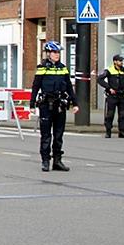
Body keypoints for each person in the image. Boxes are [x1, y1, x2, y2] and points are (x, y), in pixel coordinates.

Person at [30, 41, 78, 172]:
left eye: (58, 53)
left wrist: (75, 103)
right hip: (46, 105)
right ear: (48, 53)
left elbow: (69, 86)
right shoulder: (42, 68)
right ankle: (45, 161)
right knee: (46, 135)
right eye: (54, 52)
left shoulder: (63, 67)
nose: (57, 55)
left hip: (60, 105)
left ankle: (57, 161)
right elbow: (35, 86)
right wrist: (32, 104)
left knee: (58, 134)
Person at [97, 54, 124, 138]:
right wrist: (109, 88)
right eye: (120, 61)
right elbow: (100, 79)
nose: (121, 62)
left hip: (122, 95)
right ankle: (108, 131)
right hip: (112, 96)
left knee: (122, 115)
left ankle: (122, 131)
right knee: (110, 114)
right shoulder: (109, 70)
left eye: (122, 61)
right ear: (115, 62)